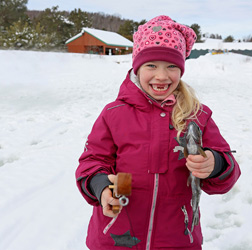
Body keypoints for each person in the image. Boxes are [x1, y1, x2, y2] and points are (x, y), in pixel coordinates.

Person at [75, 15, 240, 250]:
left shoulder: (197, 115)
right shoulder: (114, 113)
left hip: (177, 240)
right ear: (137, 67)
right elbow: (92, 161)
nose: (162, 76)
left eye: (172, 66)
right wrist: (101, 186)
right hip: (116, 239)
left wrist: (216, 164)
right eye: (151, 65)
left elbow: (228, 168)